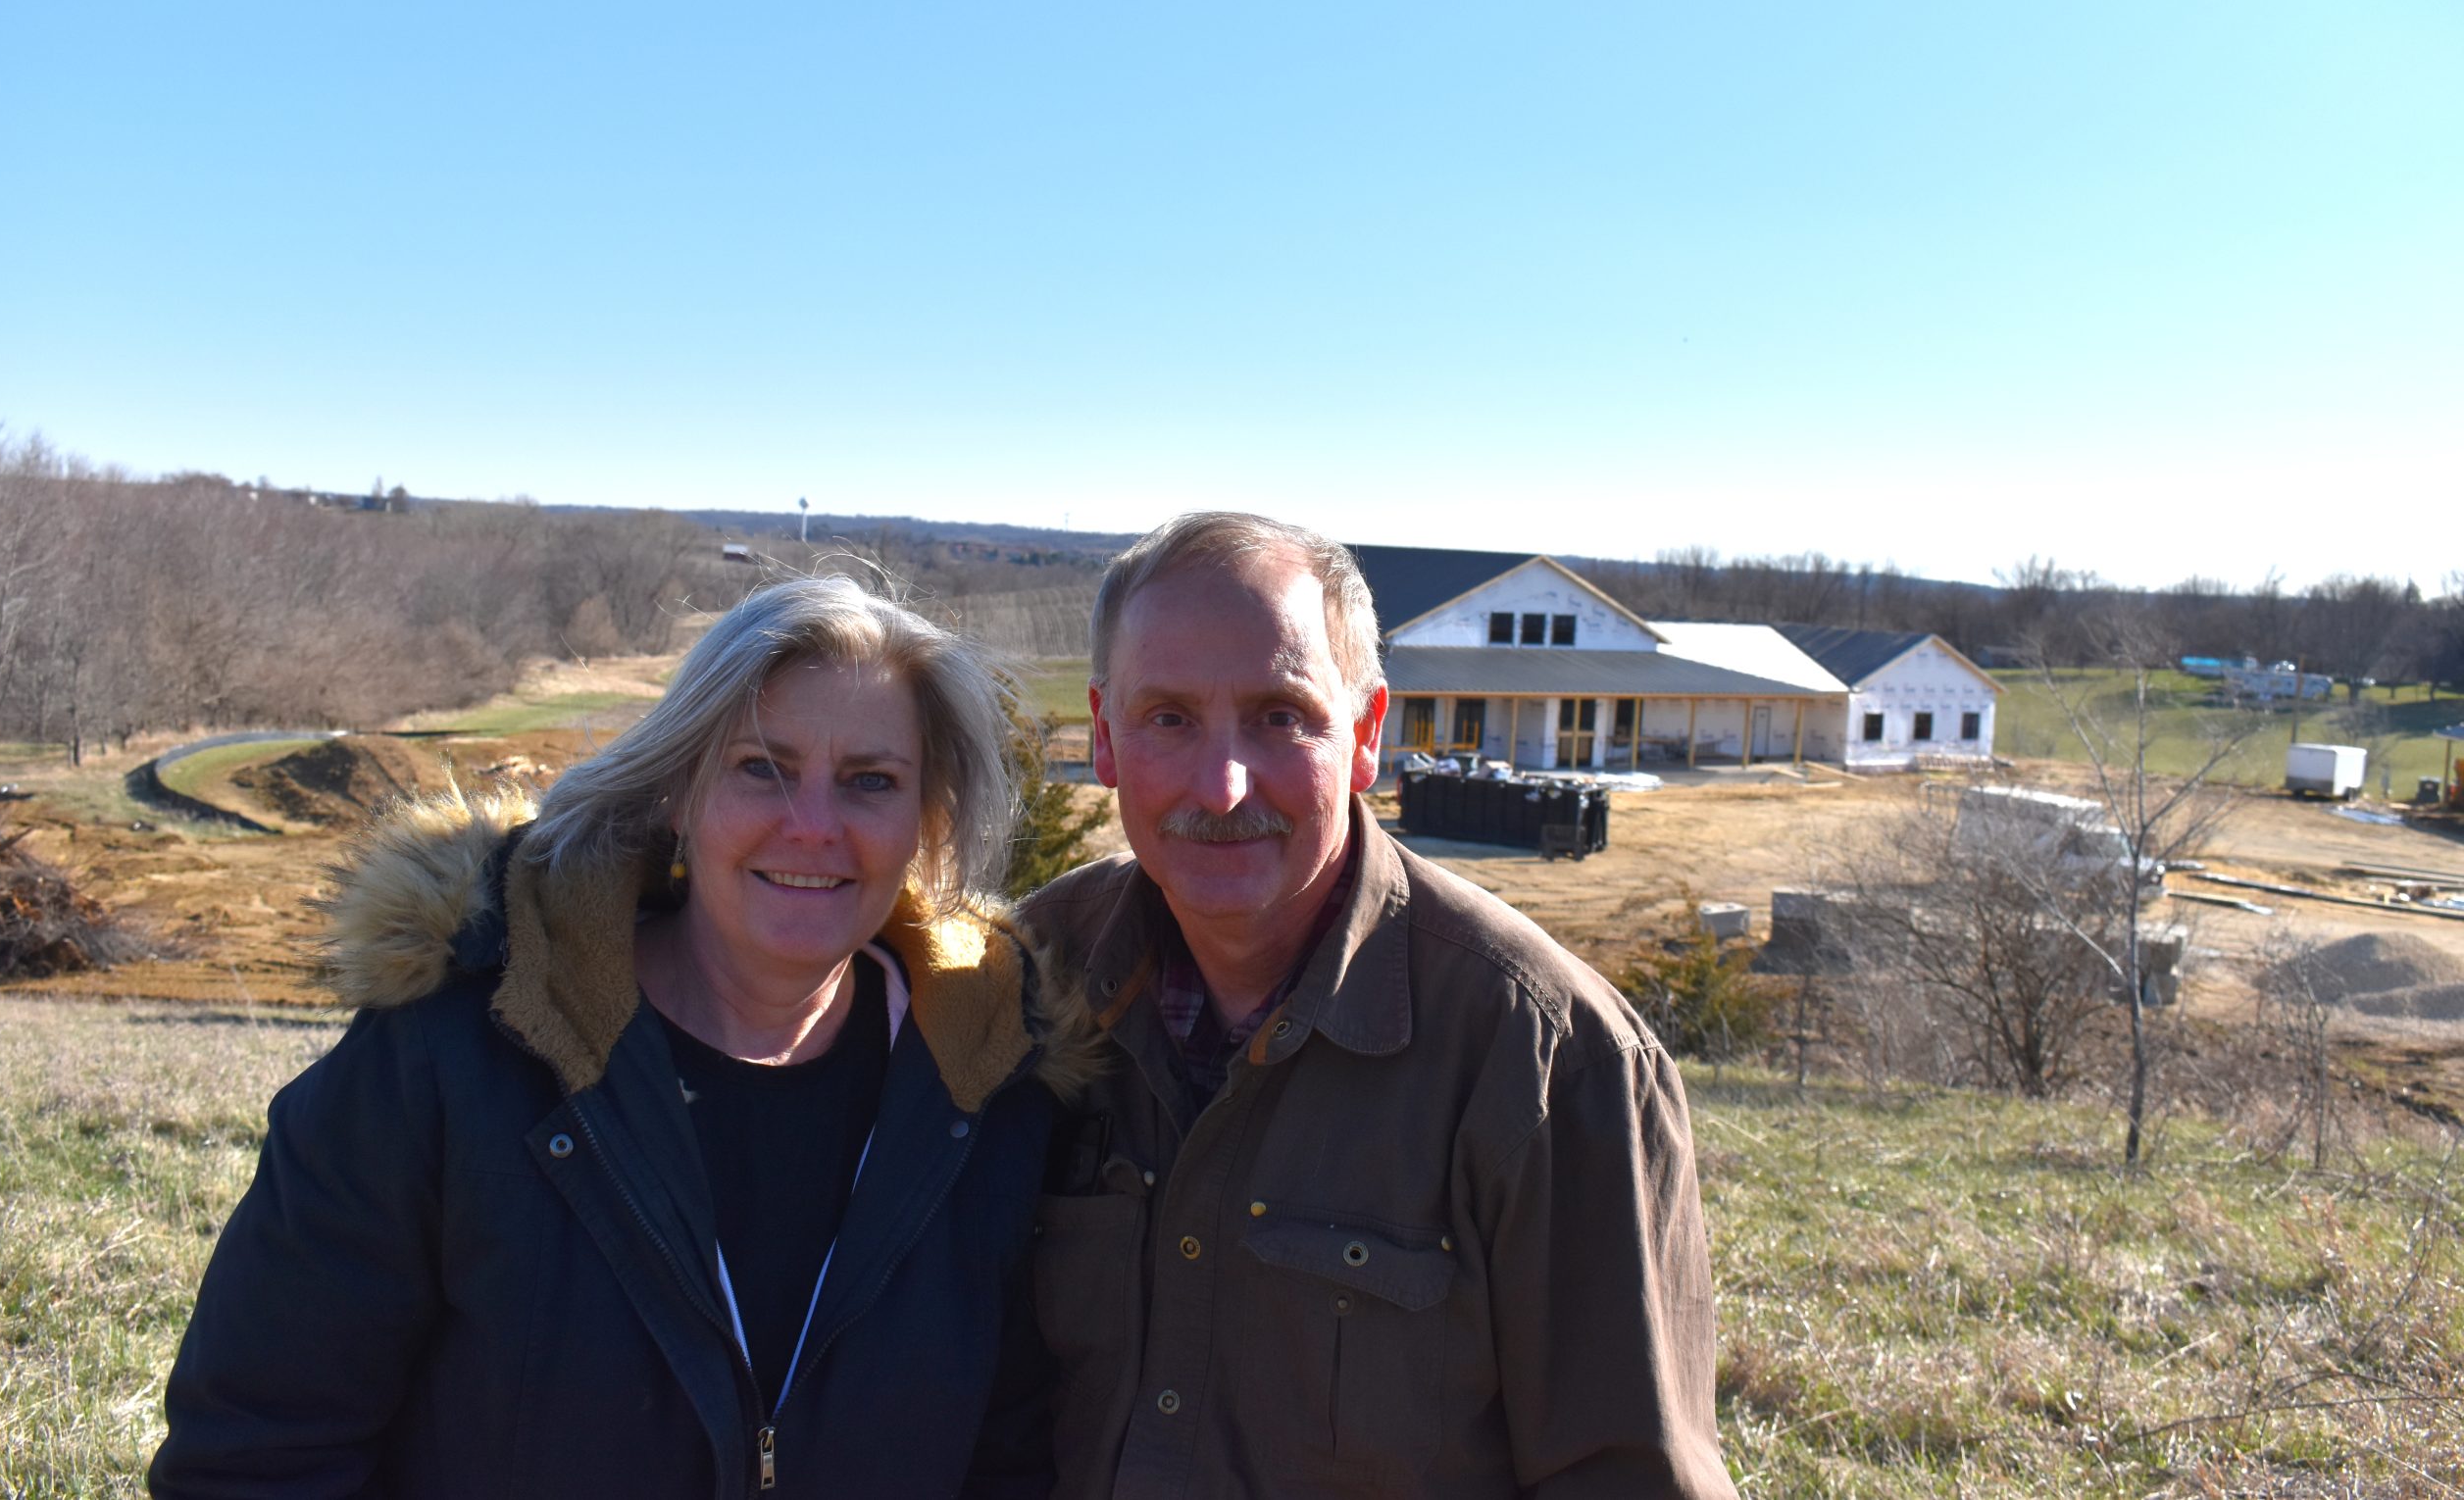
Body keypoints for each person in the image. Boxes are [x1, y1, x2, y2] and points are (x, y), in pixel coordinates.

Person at [152, 576, 1072, 1499]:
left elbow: (1012, 1463)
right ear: (679, 787)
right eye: (763, 766)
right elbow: (256, 1451)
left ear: (927, 822)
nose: (813, 824)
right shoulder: (452, 1057)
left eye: (872, 782)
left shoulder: (983, 1092)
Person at [1017, 513, 1740, 1498]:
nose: (1223, 787)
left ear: (1364, 736)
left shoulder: (1549, 1063)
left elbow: (1626, 1477)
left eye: (1281, 715)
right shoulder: (1018, 986)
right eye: (1170, 718)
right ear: (1104, 736)